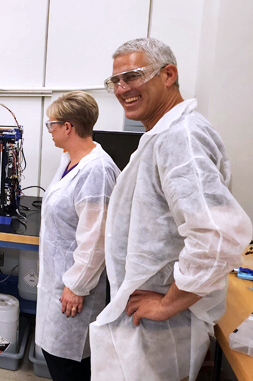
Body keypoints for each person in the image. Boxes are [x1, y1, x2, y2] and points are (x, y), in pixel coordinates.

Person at [89, 37, 253, 381]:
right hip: (150, 325)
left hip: (162, 329)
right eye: (115, 81)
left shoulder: (181, 137)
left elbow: (219, 237)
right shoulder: (163, 135)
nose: (121, 89)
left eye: (132, 76)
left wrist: (167, 304)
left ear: (168, 75)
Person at [34, 91, 119, 381]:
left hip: (74, 287)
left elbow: (96, 239)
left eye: (51, 125)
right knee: (55, 356)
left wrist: (77, 286)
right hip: (57, 280)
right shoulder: (70, 160)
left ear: (68, 127)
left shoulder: (97, 171)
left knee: (69, 364)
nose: (50, 131)